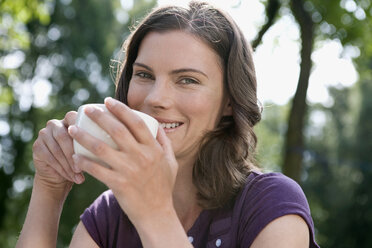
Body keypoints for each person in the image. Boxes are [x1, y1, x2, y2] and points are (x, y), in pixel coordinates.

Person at [16, 1, 319, 247]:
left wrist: (154, 215)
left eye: (187, 80)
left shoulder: (270, 204)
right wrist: (49, 189)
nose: (155, 98)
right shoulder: (108, 216)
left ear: (229, 101)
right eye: (145, 75)